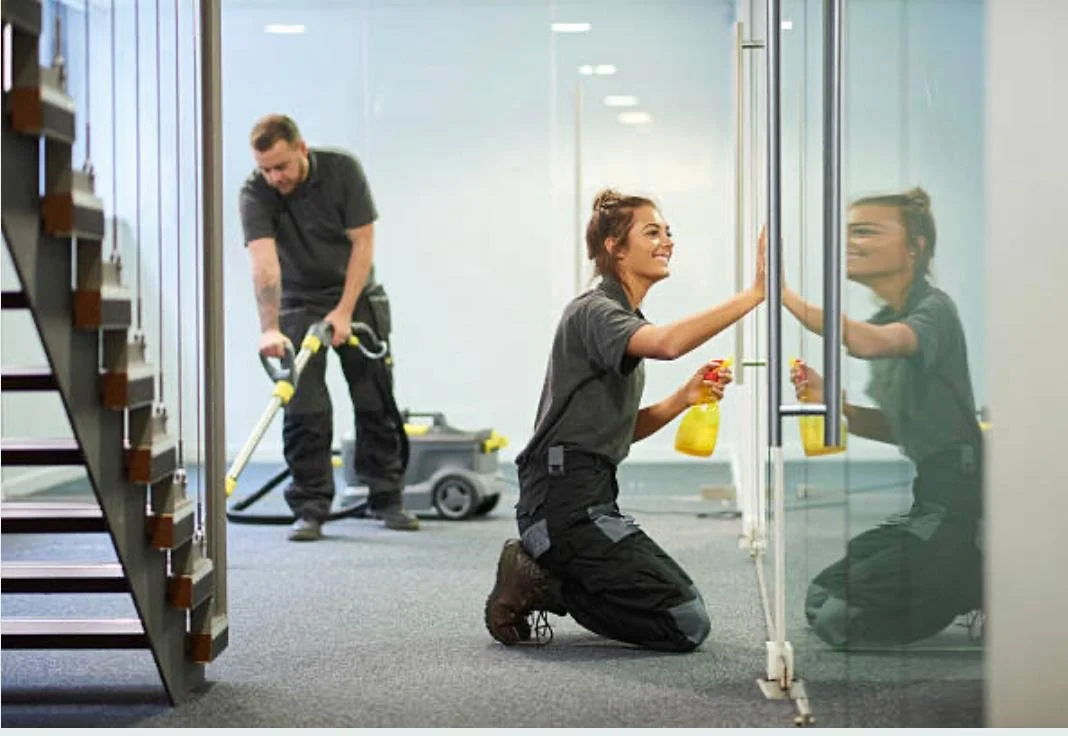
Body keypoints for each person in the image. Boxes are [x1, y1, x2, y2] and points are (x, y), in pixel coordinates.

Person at [484, 188, 766, 651]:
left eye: (668, 232)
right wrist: (755, 294)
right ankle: (542, 580)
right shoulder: (596, 310)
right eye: (652, 232)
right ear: (615, 247)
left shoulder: (620, 315)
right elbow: (668, 344)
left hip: (588, 496)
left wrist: (683, 399)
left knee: (681, 610)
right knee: (685, 623)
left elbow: (612, 431)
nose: (667, 241)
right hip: (561, 505)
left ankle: (550, 574)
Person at [785, 187, 983, 648]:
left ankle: (976, 574)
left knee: (840, 620)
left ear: (915, 246)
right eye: (849, 231)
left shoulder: (934, 310)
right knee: (822, 596)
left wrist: (783, 297)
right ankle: (961, 570)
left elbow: (869, 342)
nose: (850, 242)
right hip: (928, 503)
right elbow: (907, 428)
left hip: (959, 508)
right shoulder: (890, 314)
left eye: (866, 231)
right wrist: (841, 407)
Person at [238, 114, 419, 541]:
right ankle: (310, 507)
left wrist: (343, 311)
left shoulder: (342, 171)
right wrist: (269, 328)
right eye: (265, 168)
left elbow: (363, 244)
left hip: (355, 294)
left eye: (280, 166)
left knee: (375, 400)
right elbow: (264, 265)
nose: (273, 177)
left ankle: (386, 498)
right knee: (304, 409)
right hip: (298, 302)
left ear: (301, 148)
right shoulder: (255, 191)